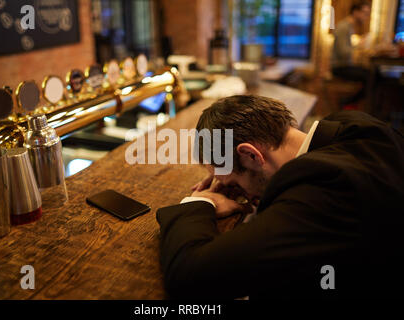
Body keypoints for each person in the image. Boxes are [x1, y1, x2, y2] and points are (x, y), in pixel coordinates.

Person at [156, 95, 404, 299]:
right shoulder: (353, 127)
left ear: (251, 156)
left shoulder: (321, 189)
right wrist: (245, 183)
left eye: (234, 183)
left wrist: (201, 203)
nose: (239, 194)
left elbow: (190, 277)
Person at [331, 2, 371, 107]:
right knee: (370, 76)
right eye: (365, 13)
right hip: (339, 67)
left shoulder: (349, 26)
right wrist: (358, 45)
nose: (366, 17)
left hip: (344, 65)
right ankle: (346, 102)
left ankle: (349, 102)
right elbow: (343, 53)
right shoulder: (344, 27)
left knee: (370, 73)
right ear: (356, 12)